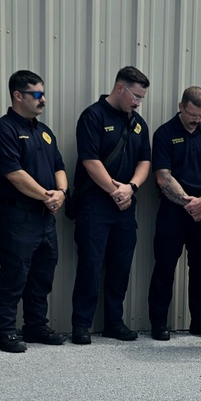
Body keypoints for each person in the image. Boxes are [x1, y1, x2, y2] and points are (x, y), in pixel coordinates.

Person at [71, 66, 151, 344]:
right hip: (95, 204)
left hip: (125, 205)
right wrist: (115, 190)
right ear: (120, 88)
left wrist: (131, 188)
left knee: (121, 266)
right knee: (90, 265)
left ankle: (114, 323)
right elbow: (90, 160)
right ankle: (81, 325)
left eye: (142, 98)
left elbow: (145, 161)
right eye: (136, 96)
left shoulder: (138, 123)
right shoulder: (93, 116)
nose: (138, 102)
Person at [0, 70, 68, 353]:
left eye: (43, 94)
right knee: (14, 275)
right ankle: (5, 332)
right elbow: (14, 174)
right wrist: (47, 196)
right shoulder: (4, 129)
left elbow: (59, 166)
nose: (42, 99)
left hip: (45, 216)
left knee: (42, 275)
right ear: (18, 96)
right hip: (18, 215)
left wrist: (61, 193)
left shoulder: (44, 131)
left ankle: (35, 326)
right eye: (37, 94)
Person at [147, 86, 201, 341]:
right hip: (173, 212)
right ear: (181, 107)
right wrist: (188, 203)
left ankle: (200, 321)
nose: (197, 120)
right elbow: (163, 176)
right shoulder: (164, 134)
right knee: (165, 267)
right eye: (192, 114)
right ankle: (159, 323)